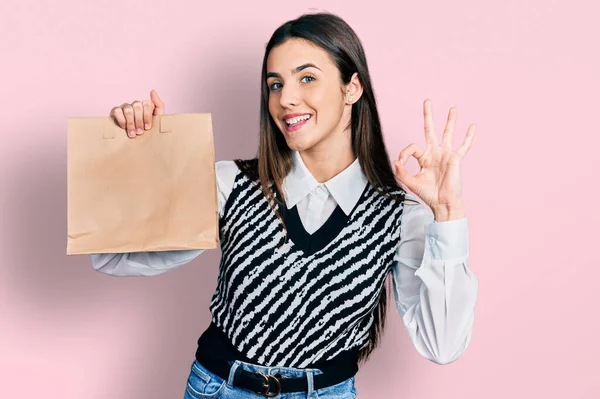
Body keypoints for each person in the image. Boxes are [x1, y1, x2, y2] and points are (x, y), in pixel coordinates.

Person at [91, 11, 478, 399]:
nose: (285, 99)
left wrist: (447, 215)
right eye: (275, 84)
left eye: (307, 78)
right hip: (219, 389)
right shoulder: (232, 183)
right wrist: (136, 155)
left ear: (352, 88)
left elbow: (442, 346)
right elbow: (112, 256)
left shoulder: (399, 214)